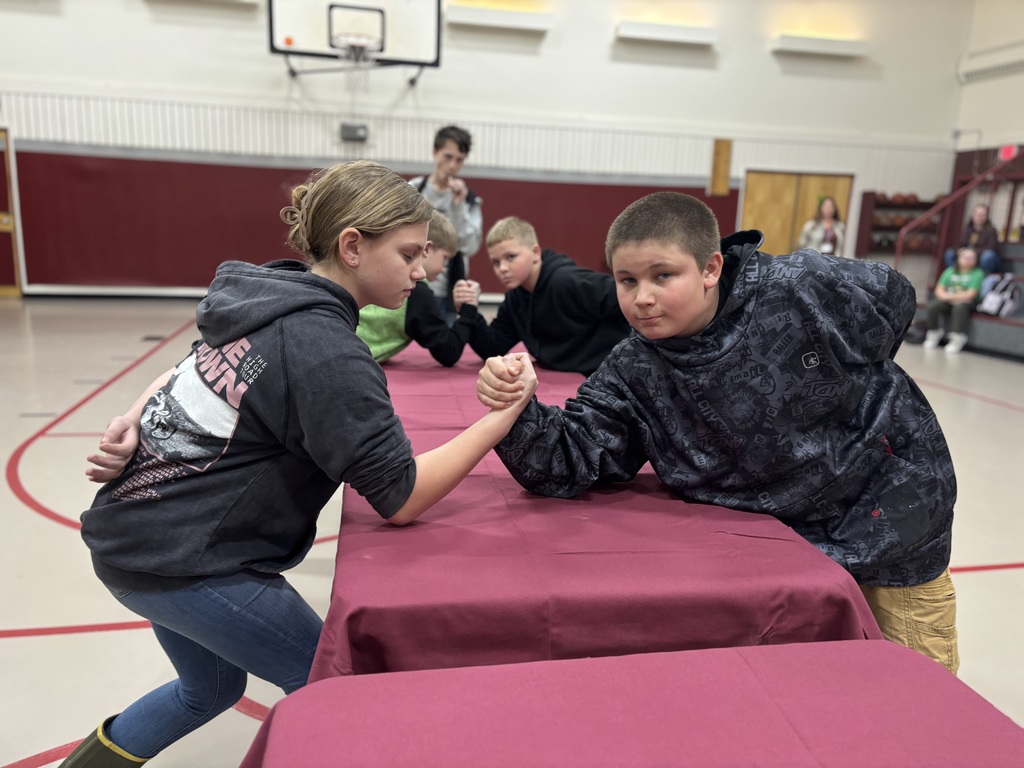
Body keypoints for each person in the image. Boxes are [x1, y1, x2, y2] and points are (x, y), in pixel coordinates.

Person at [60, 160, 538, 767]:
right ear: (352, 247)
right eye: (410, 253)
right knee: (337, 690)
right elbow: (401, 495)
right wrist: (503, 417)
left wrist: (132, 418)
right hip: (179, 559)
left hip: (132, 537)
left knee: (208, 689)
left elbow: (190, 363)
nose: (421, 271)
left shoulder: (268, 288)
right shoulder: (325, 350)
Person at [477, 191, 959, 675]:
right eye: (626, 281)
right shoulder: (635, 368)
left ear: (709, 269)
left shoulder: (800, 285)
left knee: (918, 693)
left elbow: (893, 296)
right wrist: (513, 406)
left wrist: (846, 389)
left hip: (894, 526)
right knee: (821, 700)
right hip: (783, 559)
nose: (642, 298)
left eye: (662, 276)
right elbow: (566, 458)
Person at [458, 216, 631, 377]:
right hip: (570, 380)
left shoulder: (565, 281)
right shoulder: (515, 299)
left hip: (610, 378)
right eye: (496, 262)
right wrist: (469, 309)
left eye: (510, 257)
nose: (502, 268)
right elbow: (492, 347)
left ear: (535, 253)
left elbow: (628, 297)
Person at [356, 210, 480, 366]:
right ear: (427, 249)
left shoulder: (382, 274)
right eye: (445, 259)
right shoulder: (416, 292)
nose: (443, 269)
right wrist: (469, 309)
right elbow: (449, 351)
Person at [408, 125, 484, 322]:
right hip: (411, 284)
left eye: (459, 160)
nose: (452, 165)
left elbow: (470, 246)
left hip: (449, 289)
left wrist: (458, 208)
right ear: (435, 152)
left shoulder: (469, 201)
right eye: (447, 157)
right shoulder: (414, 189)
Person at [925, 246, 985, 354]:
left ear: (976, 260)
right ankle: (934, 332)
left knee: (960, 307)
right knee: (933, 306)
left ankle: (958, 337)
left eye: (971, 258)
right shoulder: (949, 271)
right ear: (958, 258)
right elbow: (939, 290)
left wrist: (951, 297)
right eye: (965, 257)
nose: (968, 260)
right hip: (948, 299)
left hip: (968, 302)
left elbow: (971, 294)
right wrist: (948, 297)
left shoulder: (978, 273)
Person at [943, 203, 1003, 274]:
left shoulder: (991, 231)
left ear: (986, 217)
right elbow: (959, 245)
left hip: (981, 257)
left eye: (982, 215)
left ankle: (979, 277)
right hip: (967, 254)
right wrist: (961, 251)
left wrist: (973, 253)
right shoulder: (967, 230)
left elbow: (991, 247)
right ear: (972, 215)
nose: (979, 217)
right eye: (977, 214)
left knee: (988, 256)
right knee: (949, 253)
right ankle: (955, 276)